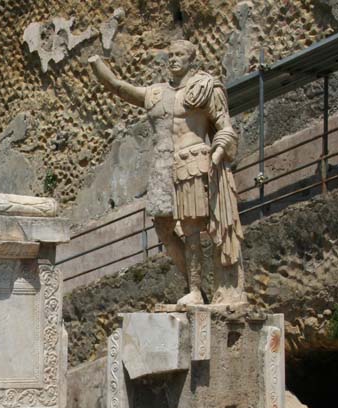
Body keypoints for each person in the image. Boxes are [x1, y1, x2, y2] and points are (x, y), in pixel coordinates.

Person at [90, 40, 245, 305]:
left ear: (191, 60)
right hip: (162, 166)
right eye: (170, 55)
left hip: (192, 161)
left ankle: (196, 291)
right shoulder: (156, 93)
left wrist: (218, 150)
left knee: (191, 227)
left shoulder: (204, 87)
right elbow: (120, 88)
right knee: (163, 228)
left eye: (179, 55)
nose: (173, 59)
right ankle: (193, 284)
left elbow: (225, 127)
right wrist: (96, 65)